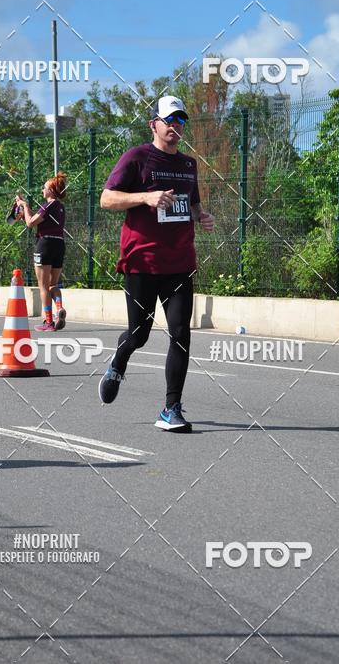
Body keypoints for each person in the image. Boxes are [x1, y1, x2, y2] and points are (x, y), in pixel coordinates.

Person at [98, 96, 214, 433]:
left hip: (179, 263)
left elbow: (191, 205)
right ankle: (118, 362)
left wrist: (200, 216)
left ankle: (171, 408)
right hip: (141, 262)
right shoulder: (136, 158)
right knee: (139, 333)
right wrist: (145, 197)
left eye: (180, 121)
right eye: (169, 121)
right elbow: (107, 198)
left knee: (180, 334)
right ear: (154, 124)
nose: (176, 127)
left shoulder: (189, 165)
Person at [15, 172, 67, 332]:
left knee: (43, 285)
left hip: (45, 244)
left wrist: (24, 205)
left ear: (51, 190)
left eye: (44, 188)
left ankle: (49, 321)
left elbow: (30, 223)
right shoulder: (60, 207)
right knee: (53, 284)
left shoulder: (48, 205)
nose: (42, 190)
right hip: (59, 243)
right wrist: (25, 211)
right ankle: (59, 308)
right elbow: (32, 220)